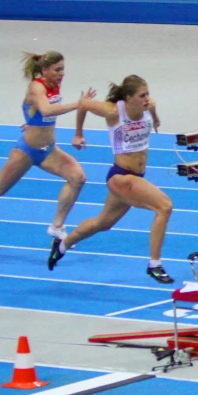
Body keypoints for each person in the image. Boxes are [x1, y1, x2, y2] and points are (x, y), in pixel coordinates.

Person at [47, 75, 175, 283]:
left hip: (136, 177)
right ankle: (155, 265)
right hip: (121, 177)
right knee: (164, 207)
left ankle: (61, 246)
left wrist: (153, 111)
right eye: (142, 95)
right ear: (128, 97)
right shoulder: (114, 112)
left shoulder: (146, 109)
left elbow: (156, 124)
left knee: (103, 223)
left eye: (148, 94)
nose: (147, 98)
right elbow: (84, 104)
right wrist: (78, 134)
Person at [0, 51, 93, 241]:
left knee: (78, 178)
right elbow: (47, 109)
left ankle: (57, 226)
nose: (62, 73)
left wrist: (32, 121)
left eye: (63, 69)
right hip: (27, 151)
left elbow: (40, 112)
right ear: (44, 70)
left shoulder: (55, 84)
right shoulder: (36, 86)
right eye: (57, 69)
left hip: (49, 150)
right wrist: (79, 103)